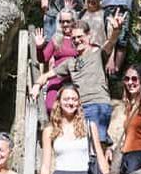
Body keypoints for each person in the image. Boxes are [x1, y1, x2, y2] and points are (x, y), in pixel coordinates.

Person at [30, 17, 123, 146]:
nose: (77, 40)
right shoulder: (70, 62)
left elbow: (111, 42)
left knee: (96, 145)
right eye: (73, 38)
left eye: (80, 37)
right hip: (79, 109)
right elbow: (46, 75)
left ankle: (105, 147)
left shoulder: (97, 53)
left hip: (97, 104)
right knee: (83, 145)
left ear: (88, 36)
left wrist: (116, 29)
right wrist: (36, 86)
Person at [34, 8, 78, 115]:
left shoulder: (78, 39)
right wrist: (39, 47)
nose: (65, 24)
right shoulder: (56, 39)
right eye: (62, 22)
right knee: (51, 106)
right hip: (57, 78)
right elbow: (43, 59)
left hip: (74, 79)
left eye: (68, 21)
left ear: (74, 22)